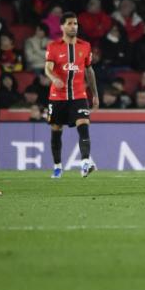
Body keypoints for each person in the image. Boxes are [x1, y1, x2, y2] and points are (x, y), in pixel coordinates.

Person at [45, 12, 99, 179]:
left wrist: (95, 94)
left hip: (79, 95)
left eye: (75, 23)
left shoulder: (85, 46)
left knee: (84, 125)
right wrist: (54, 78)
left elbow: (89, 71)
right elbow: (48, 68)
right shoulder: (53, 46)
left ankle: (85, 162)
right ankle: (57, 167)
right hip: (57, 97)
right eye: (69, 23)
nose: (73, 26)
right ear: (62, 26)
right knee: (56, 129)